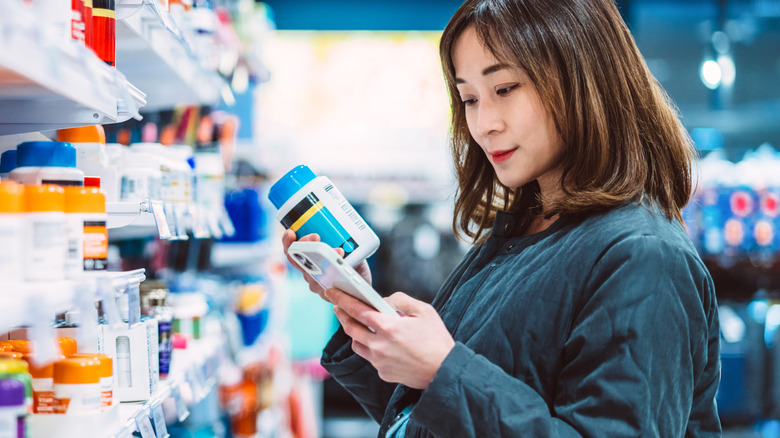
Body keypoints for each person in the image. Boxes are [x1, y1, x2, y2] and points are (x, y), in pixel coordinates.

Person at [282, 0, 721, 436]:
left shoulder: (644, 259)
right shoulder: (523, 233)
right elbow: (427, 420)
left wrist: (442, 371)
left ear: (583, 79)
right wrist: (361, 309)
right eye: (468, 98)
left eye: (505, 89)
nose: (483, 123)